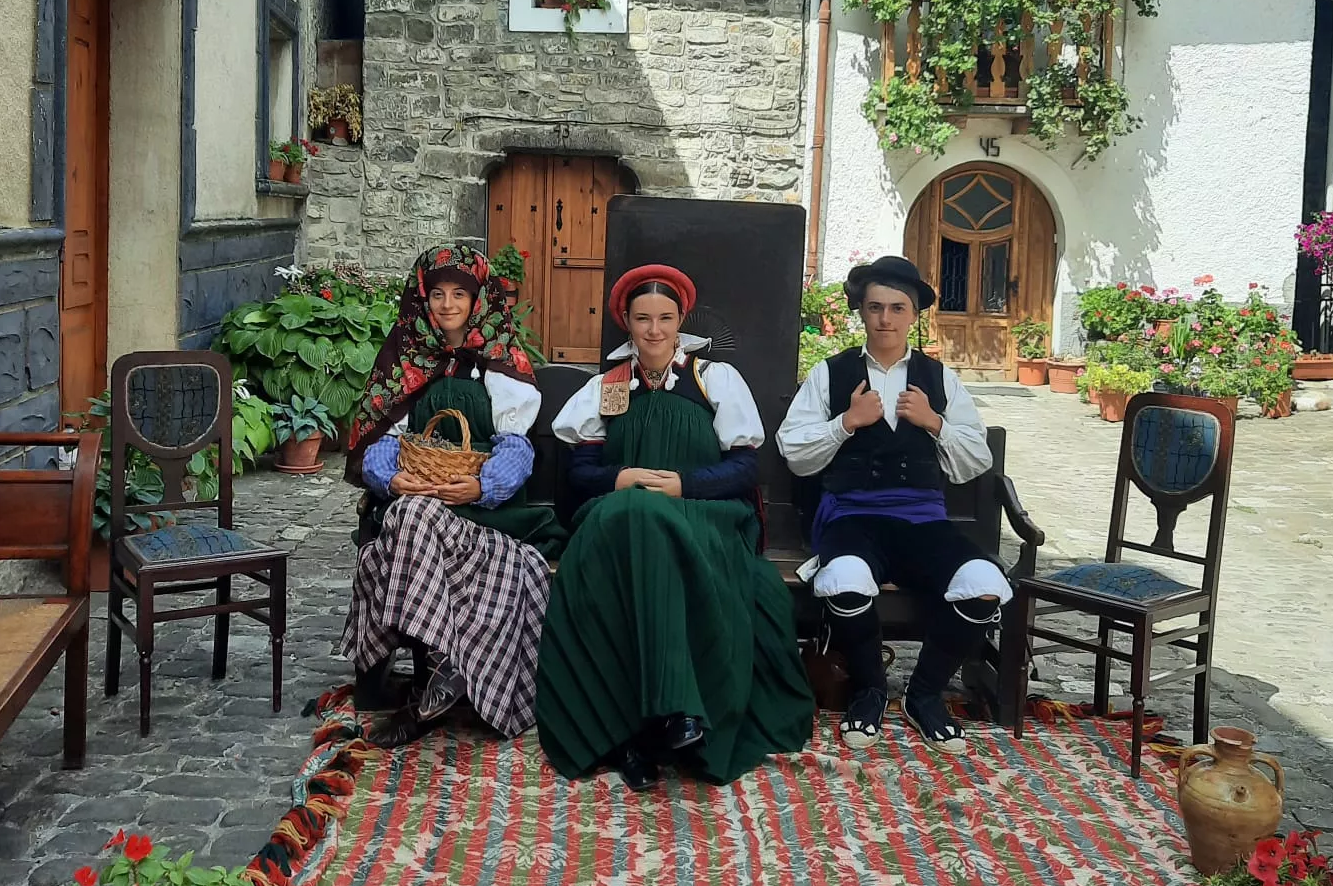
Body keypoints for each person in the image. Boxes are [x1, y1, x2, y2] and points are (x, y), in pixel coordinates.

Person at [536, 264, 814, 791]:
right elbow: (581, 472)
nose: (654, 330)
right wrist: (621, 478)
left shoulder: (714, 379)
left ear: (681, 320)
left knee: (650, 523)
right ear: (627, 321)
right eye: (643, 319)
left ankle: (647, 730)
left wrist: (683, 485)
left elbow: (743, 468)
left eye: (665, 318)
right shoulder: (607, 387)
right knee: (636, 520)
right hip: (618, 511)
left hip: (703, 512)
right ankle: (663, 719)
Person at [776, 254, 1010, 749]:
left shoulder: (939, 379)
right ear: (861, 312)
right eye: (875, 307)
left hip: (923, 522)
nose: (885, 318)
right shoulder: (830, 374)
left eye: (897, 308)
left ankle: (924, 695)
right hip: (851, 517)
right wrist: (847, 422)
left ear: (913, 314)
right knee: (845, 578)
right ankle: (870, 691)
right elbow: (794, 451)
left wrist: (933, 421)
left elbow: (975, 460)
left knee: (984, 584)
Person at [337, 243, 564, 746]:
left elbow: (517, 447)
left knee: (409, 518)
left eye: (458, 294)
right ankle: (443, 670)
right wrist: (391, 480)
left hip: (484, 516)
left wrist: (481, 485)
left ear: (478, 300)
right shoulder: (406, 360)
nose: (447, 304)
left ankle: (431, 681)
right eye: (437, 294)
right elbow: (382, 443)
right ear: (423, 299)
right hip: (419, 506)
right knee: (412, 511)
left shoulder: (501, 363)